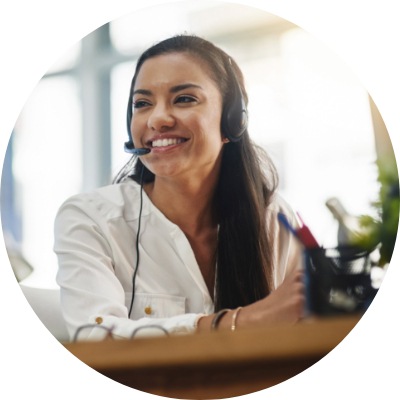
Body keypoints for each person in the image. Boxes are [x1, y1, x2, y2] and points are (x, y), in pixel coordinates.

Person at [54, 34, 305, 341]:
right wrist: (240, 322)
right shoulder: (90, 219)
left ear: (232, 120)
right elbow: (93, 336)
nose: (158, 119)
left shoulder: (275, 218)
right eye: (142, 103)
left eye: (184, 99)